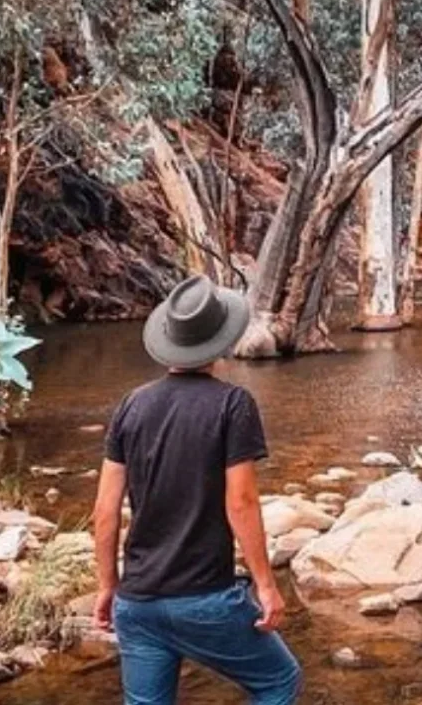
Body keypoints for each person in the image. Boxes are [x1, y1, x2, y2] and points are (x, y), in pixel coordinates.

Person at [92, 275, 300, 705]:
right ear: (221, 342)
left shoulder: (132, 404)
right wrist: (265, 584)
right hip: (206, 599)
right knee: (278, 680)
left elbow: (106, 510)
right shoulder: (232, 404)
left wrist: (108, 587)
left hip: (139, 602)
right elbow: (240, 503)